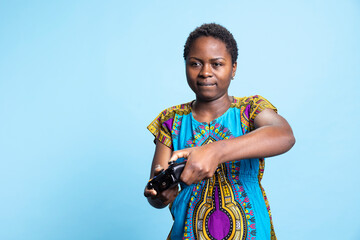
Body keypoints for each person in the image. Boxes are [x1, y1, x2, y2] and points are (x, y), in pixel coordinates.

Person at [144, 23, 295, 240]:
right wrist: (159, 197)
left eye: (217, 64)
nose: (205, 72)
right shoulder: (171, 121)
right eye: (195, 63)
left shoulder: (250, 110)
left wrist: (216, 151)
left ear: (233, 68)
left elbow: (284, 135)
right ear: (185, 66)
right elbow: (156, 191)